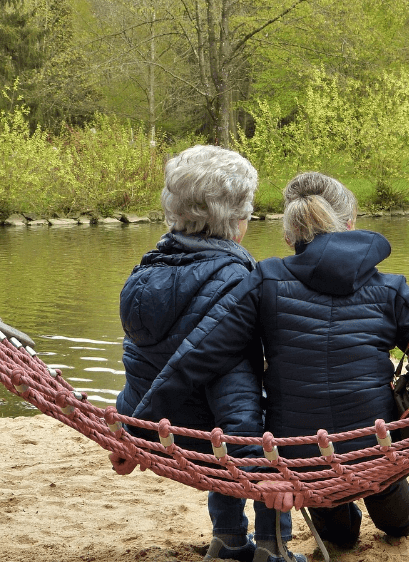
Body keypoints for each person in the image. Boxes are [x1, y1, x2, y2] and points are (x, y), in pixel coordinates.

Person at [134, 171, 409, 551]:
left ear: (289, 235)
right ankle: (394, 512)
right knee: (392, 506)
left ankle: (345, 514)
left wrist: (137, 430)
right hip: (377, 447)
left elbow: (198, 356)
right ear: (350, 223)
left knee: (339, 534)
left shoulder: (264, 280)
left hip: (301, 461)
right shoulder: (391, 289)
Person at [112, 145, 304, 562]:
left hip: (161, 427)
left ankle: (229, 536)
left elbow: (146, 362)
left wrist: (132, 430)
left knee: (221, 418)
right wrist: (258, 470)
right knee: (278, 411)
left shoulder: (144, 272)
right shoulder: (239, 282)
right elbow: (236, 394)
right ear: (238, 221)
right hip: (213, 436)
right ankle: (273, 546)